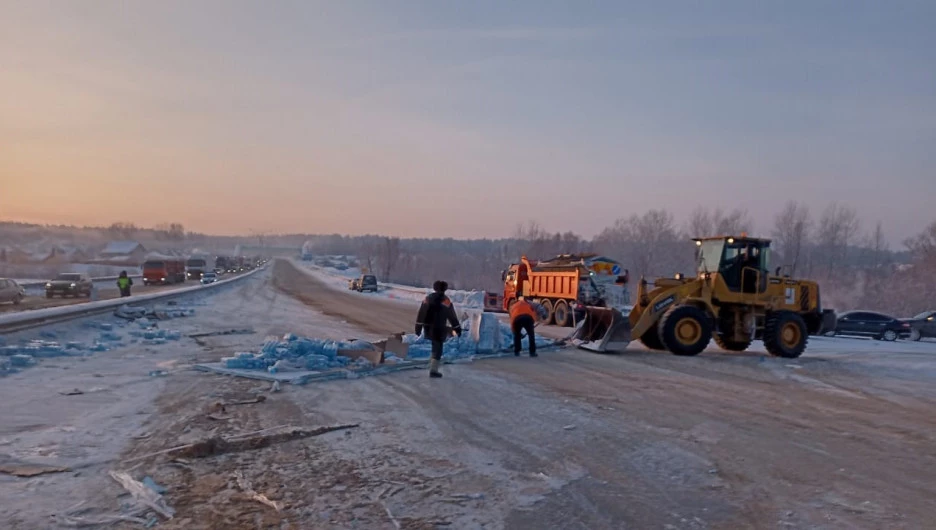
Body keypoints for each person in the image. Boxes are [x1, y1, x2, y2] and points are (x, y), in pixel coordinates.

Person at [415, 280, 462, 378]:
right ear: (445, 289)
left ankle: (433, 366)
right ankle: (433, 370)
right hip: (439, 327)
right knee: (438, 347)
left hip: (428, 326)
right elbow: (452, 316)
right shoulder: (445, 300)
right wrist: (457, 328)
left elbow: (422, 312)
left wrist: (418, 325)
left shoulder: (428, 299)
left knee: (434, 345)